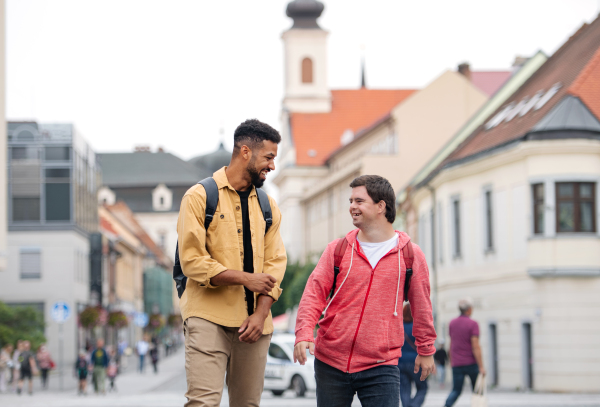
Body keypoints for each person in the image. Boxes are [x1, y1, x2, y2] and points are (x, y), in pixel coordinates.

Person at [294, 175, 436, 407]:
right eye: (351, 201)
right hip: (331, 362)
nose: (352, 207)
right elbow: (314, 293)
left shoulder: (410, 255)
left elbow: (422, 305)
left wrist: (426, 349)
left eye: (359, 201)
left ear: (381, 206)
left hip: (381, 364)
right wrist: (304, 333)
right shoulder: (337, 250)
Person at [177, 119, 287, 407]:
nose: (272, 166)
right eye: (269, 157)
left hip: (255, 324)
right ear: (246, 152)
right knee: (203, 402)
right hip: (207, 317)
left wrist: (261, 315)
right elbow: (191, 261)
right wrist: (245, 278)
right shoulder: (199, 197)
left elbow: (276, 264)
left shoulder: (268, 206)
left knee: (247, 404)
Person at [444, 298, 486, 407]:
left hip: (457, 363)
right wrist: (481, 366)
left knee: (456, 390)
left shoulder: (452, 323)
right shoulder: (473, 324)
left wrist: (451, 360)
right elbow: (475, 346)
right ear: (469, 309)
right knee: (477, 391)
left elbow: (451, 343)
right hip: (471, 363)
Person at [398, 303, 428, 407]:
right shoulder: (417, 327)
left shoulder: (398, 326)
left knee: (404, 389)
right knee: (422, 388)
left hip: (400, 362)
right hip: (415, 362)